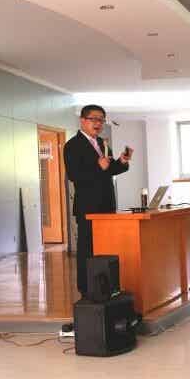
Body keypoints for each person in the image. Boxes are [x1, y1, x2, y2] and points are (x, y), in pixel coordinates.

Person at [64, 105, 131, 296]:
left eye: (101, 120)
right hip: (88, 206)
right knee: (87, 249)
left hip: (107, 203)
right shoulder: (72, 145)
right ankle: (86, 289)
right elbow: (74, 175)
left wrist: (122, 162)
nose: (98, 123)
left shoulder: (101, 142)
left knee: (106, 248)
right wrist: (98, 166)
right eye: (94, 119)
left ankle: (105, 287)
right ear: (82, 120)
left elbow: (109, 170)